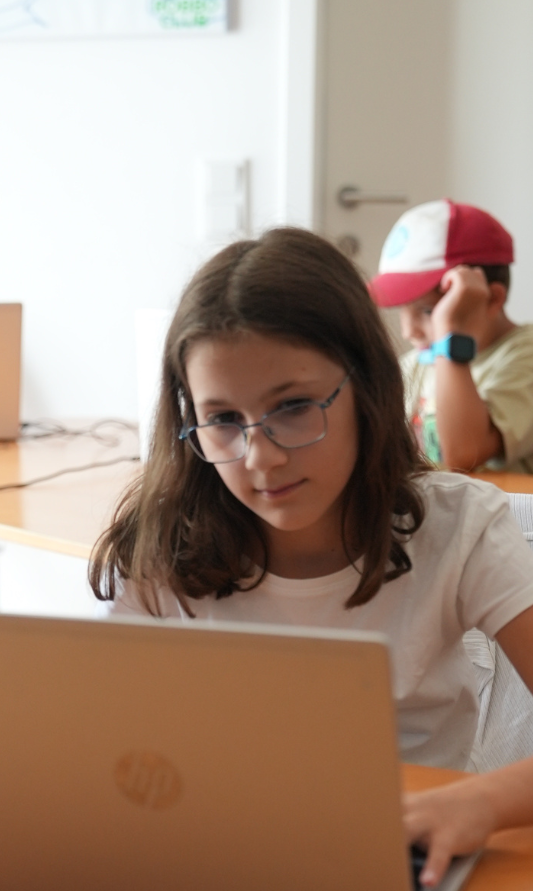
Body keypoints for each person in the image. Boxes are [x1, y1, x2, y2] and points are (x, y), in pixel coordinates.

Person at [88, 227, 533, 887]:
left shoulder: (460, 528)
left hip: (400, 841)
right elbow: (106, 745)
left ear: (368, 389)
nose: (260, 456)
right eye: (222, 419)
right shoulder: (161, 541)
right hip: (219, 841)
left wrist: (483, 801)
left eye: (294, 408)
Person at [370, 199, 533, 474]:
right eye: (402, 311)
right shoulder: (418, 364)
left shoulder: (524, 356)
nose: (408, 331)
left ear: (492, 298)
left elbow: (463, 454)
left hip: (502, 515)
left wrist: (450, 334)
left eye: (429, 310)